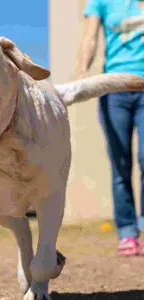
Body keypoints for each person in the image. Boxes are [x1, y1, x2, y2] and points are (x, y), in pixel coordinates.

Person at [79, 0, 144, 256]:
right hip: (114, 88)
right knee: (120, 164)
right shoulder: (100, 2)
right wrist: (84, 70)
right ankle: (128, 232)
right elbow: (90, 37)